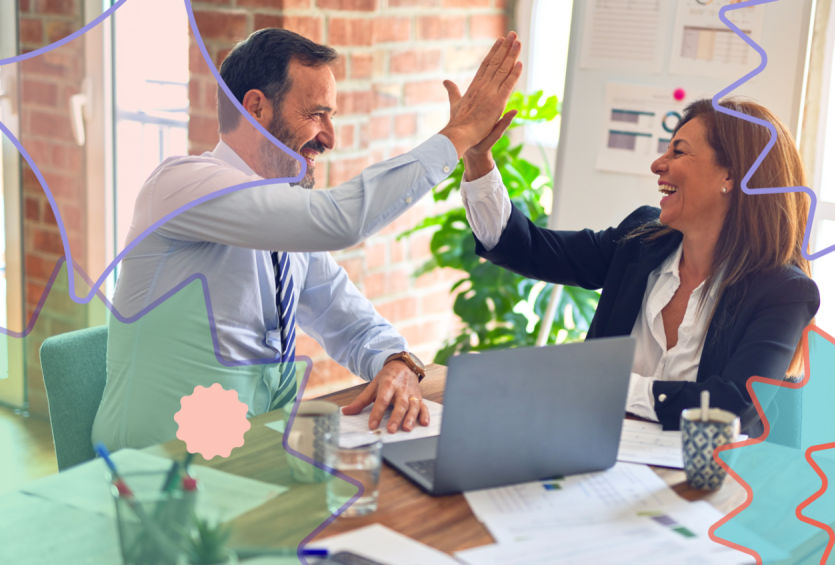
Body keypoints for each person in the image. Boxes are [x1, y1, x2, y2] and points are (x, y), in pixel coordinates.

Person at [92, 28, 522, 450]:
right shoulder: (181, 185)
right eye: (317, 114)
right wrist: (459, 134)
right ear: (256, 107)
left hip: (251, 460)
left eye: (331, 116)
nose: (329, 138)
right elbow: (341, 220)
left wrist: (397, 362)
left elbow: (348, 320)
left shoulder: (284, 221)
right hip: (154, 475)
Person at [459, 97, 819, 436]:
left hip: (703, 488)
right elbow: (528, 248)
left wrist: (608, 386)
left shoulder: (784, 292)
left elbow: (731, 408)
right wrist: (478, 158)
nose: (658, 165)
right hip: (595, 458)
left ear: (730, 176)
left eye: (678, 152)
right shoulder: (640, 241)